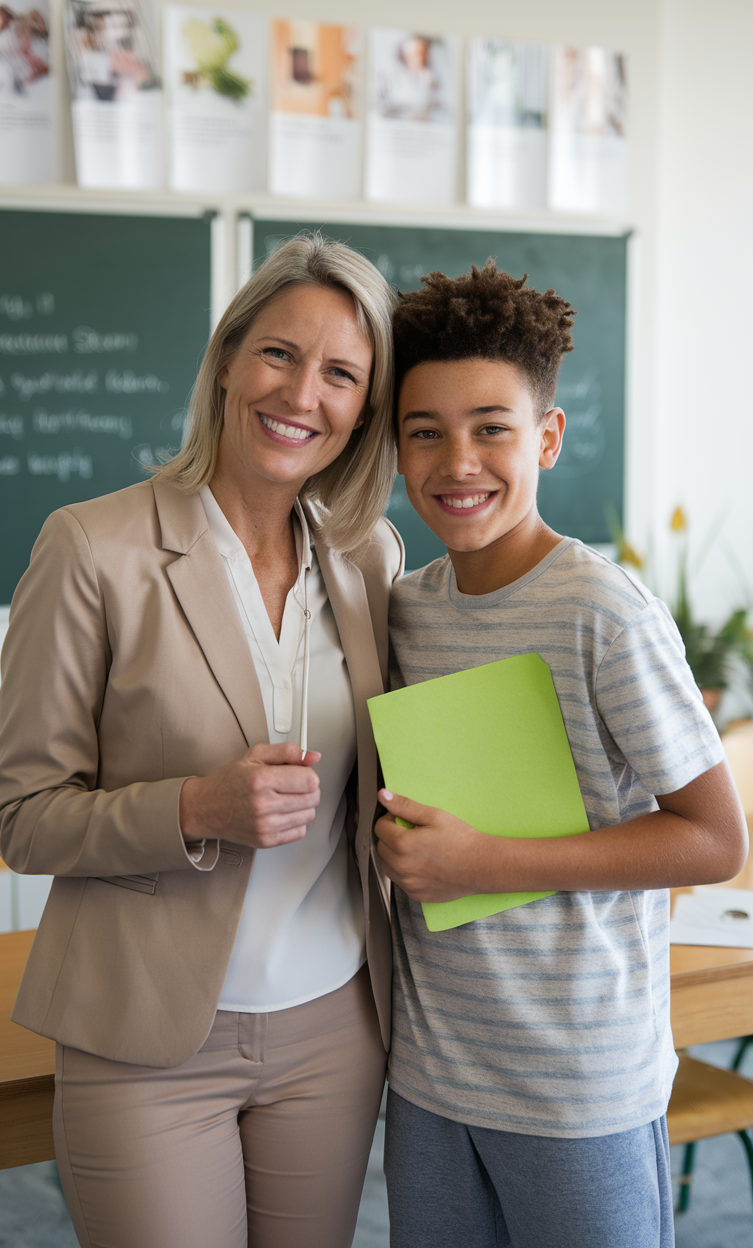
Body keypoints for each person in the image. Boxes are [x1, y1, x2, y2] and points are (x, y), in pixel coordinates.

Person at [0, 234, 403, 1248]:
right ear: (226, 359)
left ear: (364, 408)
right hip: (146, 1039)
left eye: (340, 373)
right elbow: (24, 820)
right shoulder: (93, 546)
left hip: (334, 1026)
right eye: (278, 353)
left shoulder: (368, 557)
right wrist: (193, 808)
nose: (301, 392)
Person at [374, 262, 748, 1248]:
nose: (458, 460)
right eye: (426, 432)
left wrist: (484, 862)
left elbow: (712, 841)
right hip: (431, 1071)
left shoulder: (602, 611)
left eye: (491, 427)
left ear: (546, 437)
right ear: (395, 450)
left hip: (578, 1083)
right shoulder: (403, 609)